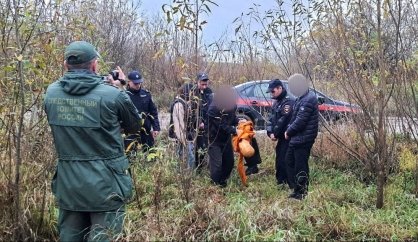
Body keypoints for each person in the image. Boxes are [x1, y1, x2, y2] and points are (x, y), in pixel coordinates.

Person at [44, 41, 141, 241]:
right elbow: (134, 126)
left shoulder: (51, 93)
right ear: (94, 65)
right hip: (106, 185)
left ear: (65, 65)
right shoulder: (113, 95)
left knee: (70, 237)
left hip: (69, 184)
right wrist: (121, 87)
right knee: (105, 236)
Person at [284, 73, 319, 200]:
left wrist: (288, 132)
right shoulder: (301, 98)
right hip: (297, 138)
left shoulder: (309, 99)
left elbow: (300, 121)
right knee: (289, 161)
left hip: (304, 139)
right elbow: (294, 118)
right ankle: (296, 189)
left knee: (300, 166)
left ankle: (301, 193)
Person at [207, 86, 240, 187]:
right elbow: (221, 125)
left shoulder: (232, 106)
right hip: (214, 139)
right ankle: (215, 185)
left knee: (229, 162)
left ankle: (223, 181)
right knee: (217, 165)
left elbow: (232, 118)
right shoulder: (213, 109)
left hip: (225, 139)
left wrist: (239, 121)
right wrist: (234, 130)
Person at [266, 79, 295, 186]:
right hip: (280, 137)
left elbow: (283, 120)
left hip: (288, 137)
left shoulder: (288, 102)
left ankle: (289, 183)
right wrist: (270, 132)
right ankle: (281, 181)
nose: (271, 94)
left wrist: (275, 134)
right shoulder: (277, 102)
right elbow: (271, 119)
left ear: (280, 88)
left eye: (273, 91)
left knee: (286, 160)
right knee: (280, 159)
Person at [125, 70, 161, 151]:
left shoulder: (146, 94)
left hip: (146, 132)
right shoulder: (124, 96)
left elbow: (153, 112)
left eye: (139, 83)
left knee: (150, 155)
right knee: (132, 158)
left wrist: (156, 128)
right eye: (135, 83)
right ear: (129, 82)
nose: (138, 85)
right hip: (131, 133)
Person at [169, 83, 197, 169]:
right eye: (192, 92)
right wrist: (184, 140)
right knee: (181, 157)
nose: (193, 95)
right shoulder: (179, 104)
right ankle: (181, 176)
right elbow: (178, 125)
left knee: (184, 156)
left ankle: (186, 175)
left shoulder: (187, 103)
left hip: (186, 135)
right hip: (178, 136)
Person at [192, 72, 213, 170]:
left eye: (206, 84)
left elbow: (211, 108)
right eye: (202, 84)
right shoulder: (193, 93)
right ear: (197, 82)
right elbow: (192, 110)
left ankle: (206, 166)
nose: (204, 87)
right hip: (196, 125)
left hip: (207, 124)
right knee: (198, 147)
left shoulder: (209, 92)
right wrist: (198, 121)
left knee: (206, 147)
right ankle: (197, 168)